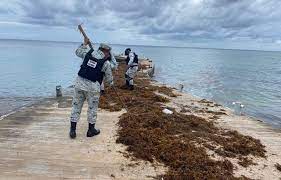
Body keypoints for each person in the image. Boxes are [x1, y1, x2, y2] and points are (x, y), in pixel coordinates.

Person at [69, 38, 113, 139]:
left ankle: (72, 130)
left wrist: (84, 44)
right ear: (105, 51)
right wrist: (111, 83)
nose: (109, 55)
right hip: (93, 88)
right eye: (109, 52)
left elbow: (77, 52)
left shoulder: (88, 53)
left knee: (76, 107)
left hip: (79, 84)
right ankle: (91, 130)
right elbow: (109, 79)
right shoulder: (106, 63)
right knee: (92, 109)